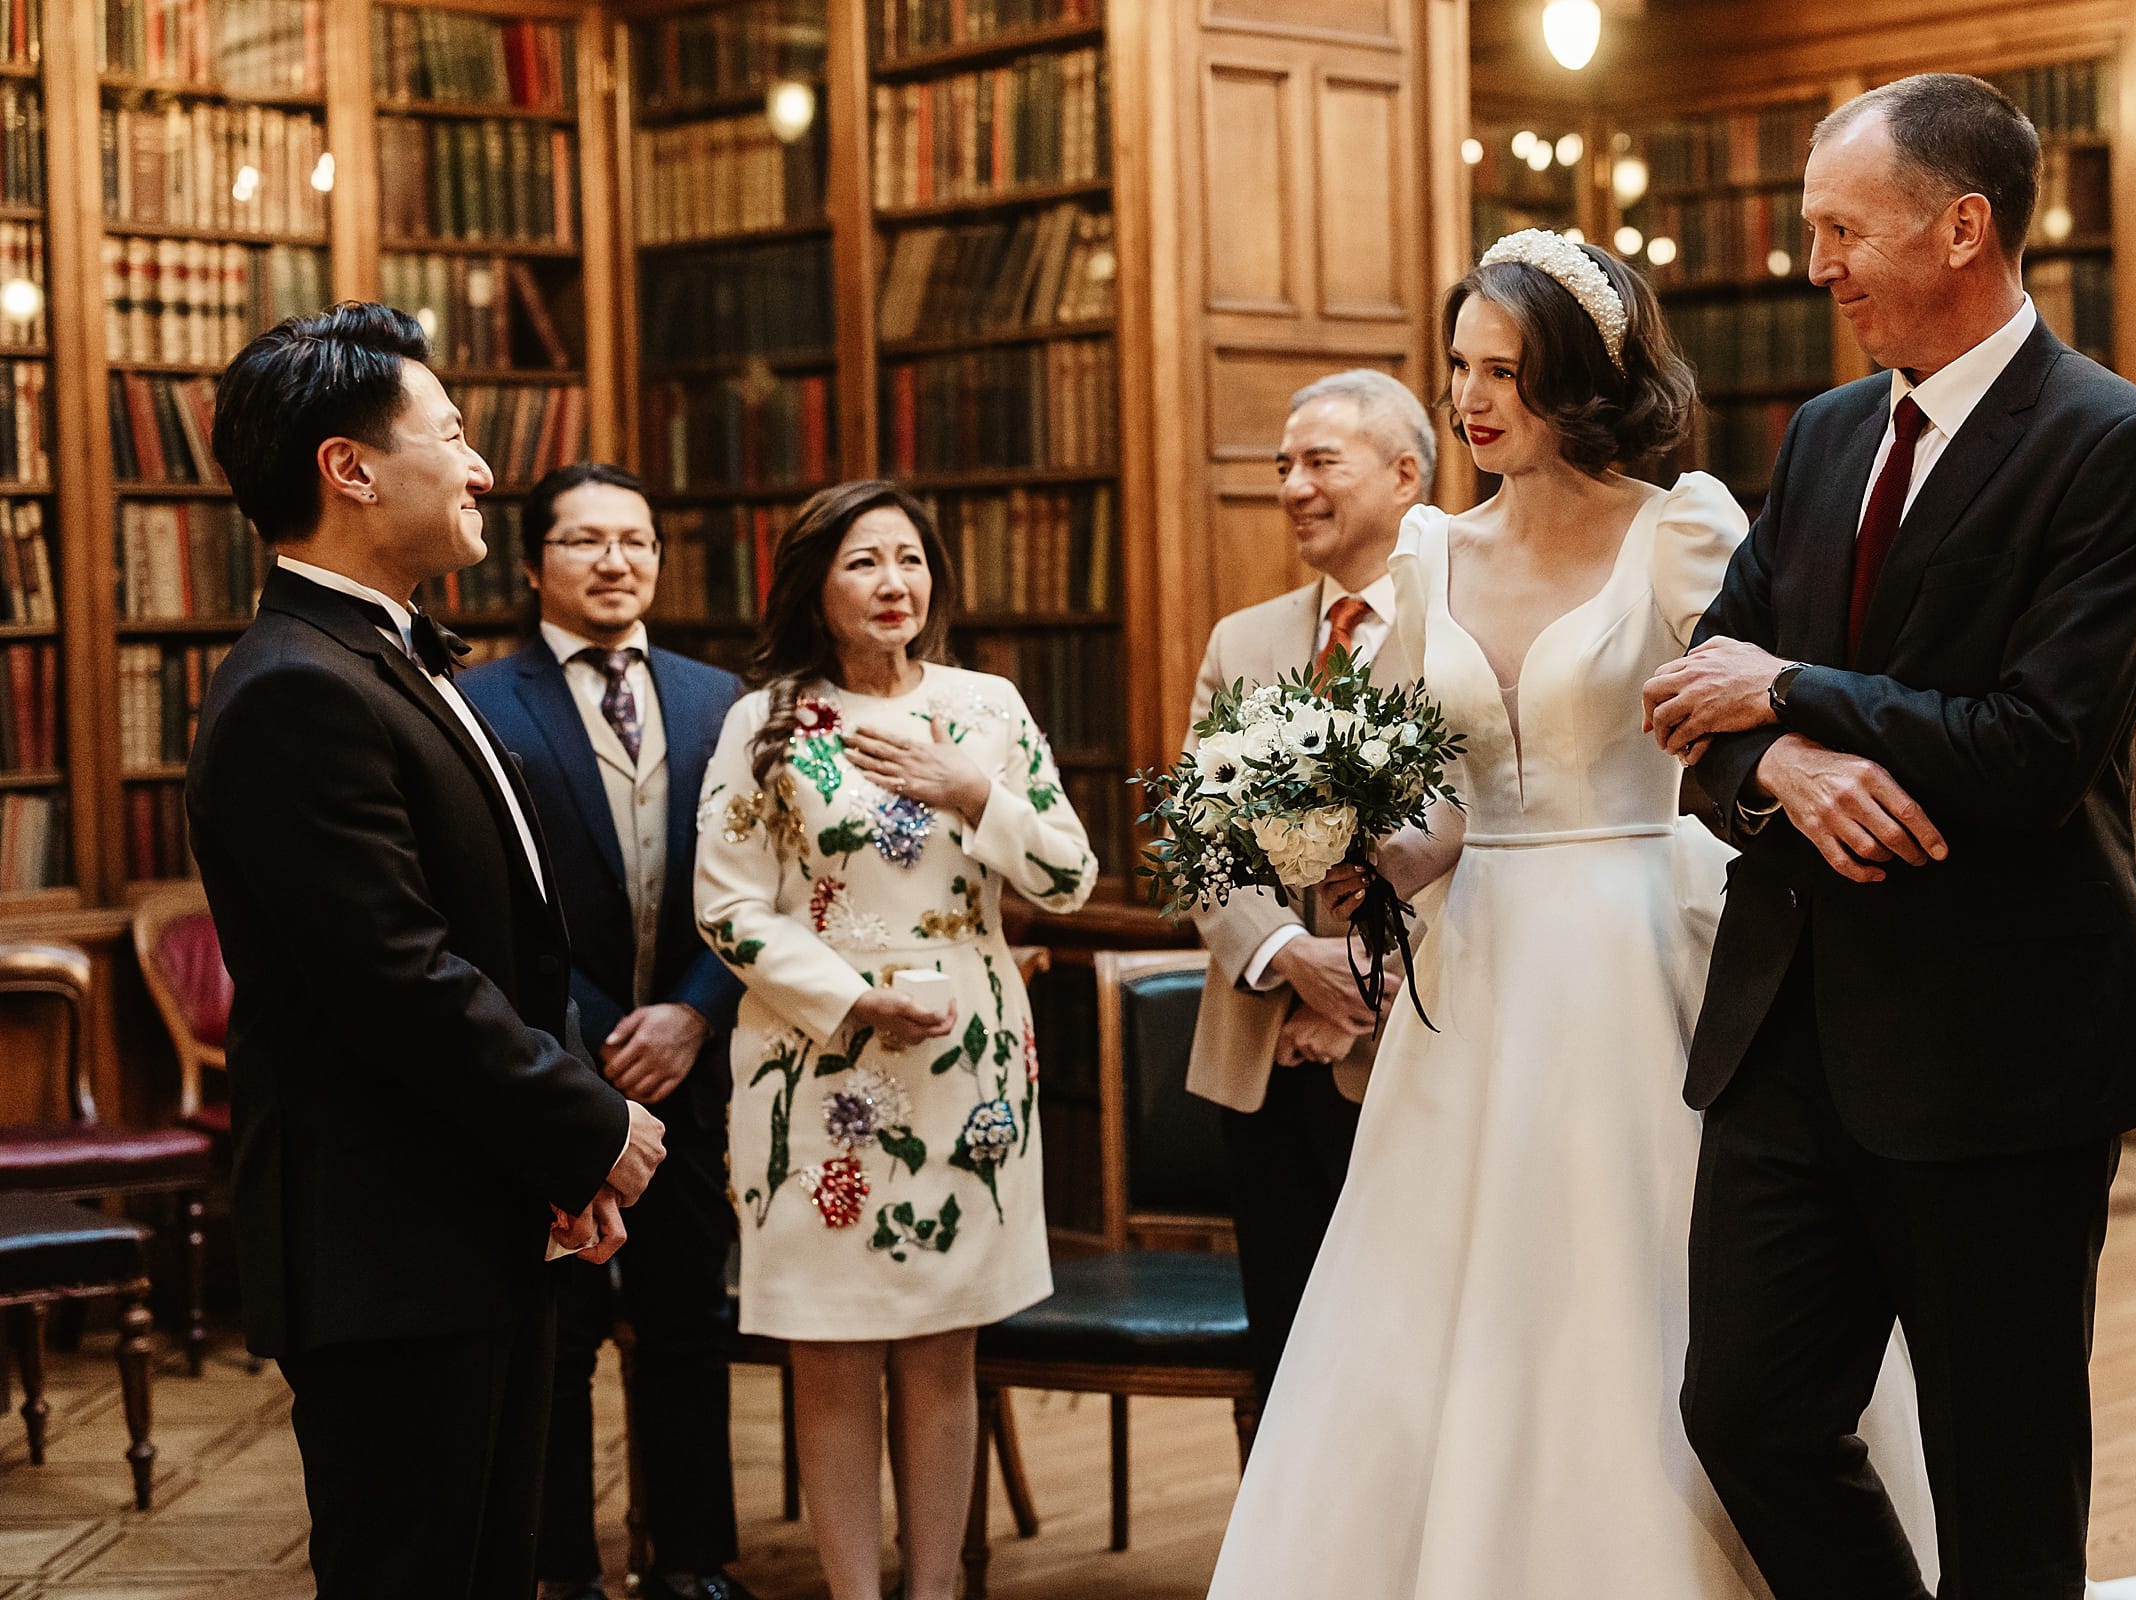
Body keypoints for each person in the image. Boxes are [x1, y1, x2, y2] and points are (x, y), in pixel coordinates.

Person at [1206, 236, 1932, 1598]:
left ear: (1582, 384)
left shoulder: (1682, 526)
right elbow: (1444, 812)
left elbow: (1742, 723)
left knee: (1643, 1279)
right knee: (1446, 1287)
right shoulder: (1427, 551)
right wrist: (1359, 836)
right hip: (1478, 962)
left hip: (1642, 943)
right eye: (1462, 370)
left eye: (1507, 373)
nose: (1473, 401)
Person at [1642, 76, 2136, 1600]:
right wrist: (1788, 765)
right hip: (1789, 1030)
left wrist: (1794, 689)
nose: (1814, 265)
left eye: (1840, 230)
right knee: (1745, 1413)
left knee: (2005, 1482)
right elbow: (1700, 695)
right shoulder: (1821, 435)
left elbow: (2030, 750)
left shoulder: (2115, 444)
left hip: (1998, 1045)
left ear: (1964, 228)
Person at [188, 302, 666, 1600]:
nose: (482, 469)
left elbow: (501, 939)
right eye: (451, 435)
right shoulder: (295, 687)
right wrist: (588, 1121)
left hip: (464, 1222)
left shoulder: (379, 657)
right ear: (349, 469)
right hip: (384, 1249)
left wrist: (554, 1166)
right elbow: (395, 977)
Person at [692, 481, 1098, 1600]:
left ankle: (933, 1591)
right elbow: (728, 907)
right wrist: (853, 1000)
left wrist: (980, 794)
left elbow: (1068, 877)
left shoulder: (989, 707)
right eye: (864, 562)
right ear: (817, 586)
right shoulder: (765, 719)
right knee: (829, 1351)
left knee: (942, 1342)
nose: (892, 584)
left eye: (910, 560)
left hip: (965, 1070)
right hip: (816, 1067)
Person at [456, 464, 751, 1600]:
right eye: (585, 541)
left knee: (688, 1315)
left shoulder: (718, 695)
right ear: (534, 563)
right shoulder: (481, 701)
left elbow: (756, 887)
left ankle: (691, 1562)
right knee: (562, 1330)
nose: (616, 560)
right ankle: (561, 1570)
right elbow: (483, 903)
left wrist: (693, 1011)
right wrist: (589, 1041)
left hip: (691, 1059)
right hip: (553, 1070)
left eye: (636, 538)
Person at [1182, 368, 1432, 1402]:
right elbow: (1200, 832)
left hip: (1425, 1041)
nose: (1292, 486)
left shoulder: (1465, 622)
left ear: (1406, 473)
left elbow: (1500, 816)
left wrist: (1369, 980)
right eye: (1283, 465)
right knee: (1289, 1349)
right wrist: (1291, 959)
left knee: (1412, 1345)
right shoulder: (1243, 641)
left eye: (1320, 461)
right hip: (1268, 1051)